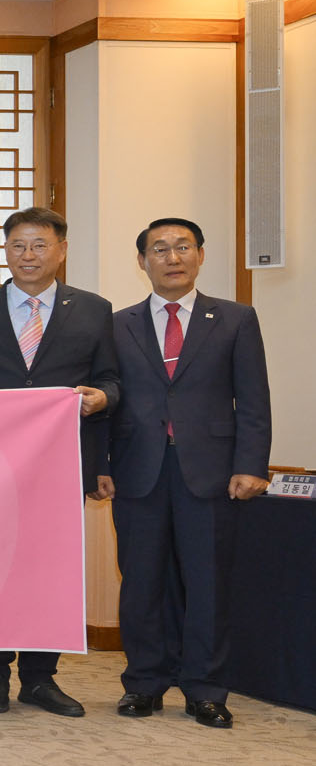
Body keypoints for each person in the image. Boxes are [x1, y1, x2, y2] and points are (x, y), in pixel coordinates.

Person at [0, 206, 117, 717]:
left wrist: (102, 399)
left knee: (49, 571)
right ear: (5, 251)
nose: (28, 255)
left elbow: (111, 380)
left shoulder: (94, 310)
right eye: (18, 245)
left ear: (61, 250)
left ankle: (40, 678)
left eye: (40, 244)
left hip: (59, 463)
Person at [104, 218, 270, 730]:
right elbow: (107, 400)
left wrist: (250, 465)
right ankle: (144, 683)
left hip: (212, 472)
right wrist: (100, 466)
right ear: (142, 261)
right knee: (140, 583)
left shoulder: (236, 318)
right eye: (159, 249)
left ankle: (206, 689)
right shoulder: (116, 324)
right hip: (138, 471)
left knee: (208, 583)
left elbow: (254, 399)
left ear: (200, 254)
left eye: (182, 247)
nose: (172, 257)